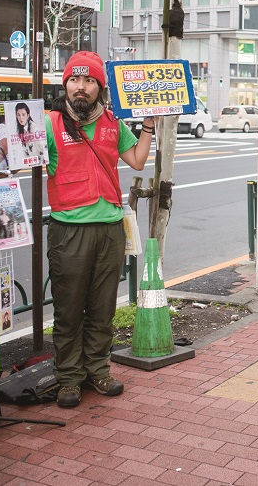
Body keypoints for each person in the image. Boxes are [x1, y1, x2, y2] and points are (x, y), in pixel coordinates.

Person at [46, 51, 155, 408]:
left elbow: (137, 160)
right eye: (75, 80)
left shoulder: (111, 122)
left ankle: (97, 370)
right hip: (69, 229)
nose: (81, 87)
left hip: (110, 228)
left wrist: (149, 127)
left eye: (89, 81)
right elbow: (24, 163)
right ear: (66, 85)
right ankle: (68, 378)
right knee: (68, 308)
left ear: (99, 88)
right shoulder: (49, 124)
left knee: (103, 306)